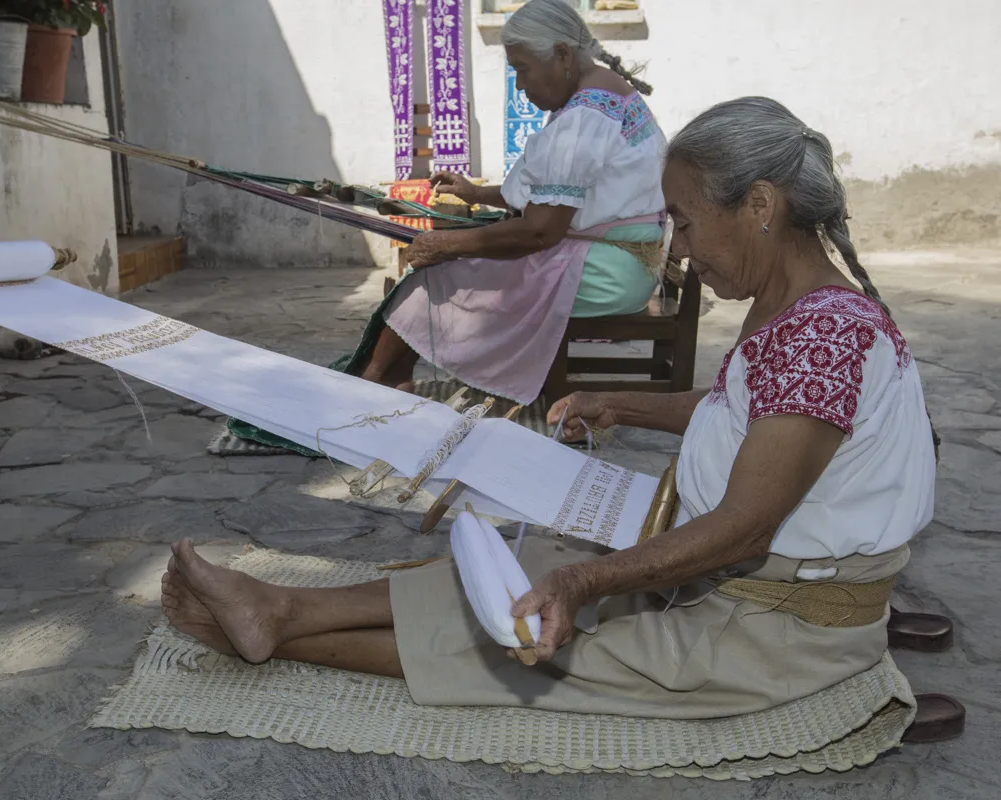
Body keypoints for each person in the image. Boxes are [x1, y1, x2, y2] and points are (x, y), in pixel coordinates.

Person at [162, 97, 961, 737]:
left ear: (759, 205)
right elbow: (743, 412)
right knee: (534, 564)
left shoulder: (820, 334)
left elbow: (749, 528)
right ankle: (280, 606)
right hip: (743, 586)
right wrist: (620, 403)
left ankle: (278, 632)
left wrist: (586, 583)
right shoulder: (791, 308)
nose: (676, 250)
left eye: (680, 221)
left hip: (776, 631)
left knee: (540, 646)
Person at [354, 0, 667, 403]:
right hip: (616, 261)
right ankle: (393, 375)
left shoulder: (586, 116)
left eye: (521, 68)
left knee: (439, 276)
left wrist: (444, 245)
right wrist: (477, 193)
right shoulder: (603, 95)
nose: (520, 84)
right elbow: (557, 193)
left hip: (605, 272)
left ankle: (374, 379)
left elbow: (540, 230)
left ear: (562, 55)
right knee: (461, 260)